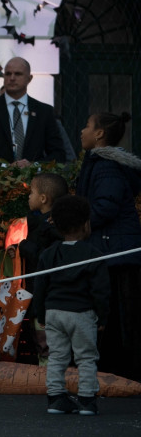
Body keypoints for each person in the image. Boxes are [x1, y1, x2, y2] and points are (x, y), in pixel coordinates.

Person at [75, 111, 141, 382]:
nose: (82, 131)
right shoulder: (102, 163)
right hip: (113, 248)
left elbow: (105, 206)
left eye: (87, 126)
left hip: (113, 250)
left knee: (114, 312)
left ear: (99, 134)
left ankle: (119, 369)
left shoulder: (105, 166)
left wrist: (78, 225)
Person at [33, 194, 110, 415]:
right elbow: (101, 291)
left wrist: (41, 315)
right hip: (81, 313)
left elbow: (40, 287)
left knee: (57, 355)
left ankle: (55, 398)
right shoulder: (93, 254)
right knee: (86, 357)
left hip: (54, 312)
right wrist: (102, 317)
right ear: (86, 224)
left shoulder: (48, 254)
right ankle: (86, 400)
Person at [7, 172, 68, 365]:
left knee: (45, 340)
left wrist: (23, 246)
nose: (28, 196)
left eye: (31, 192)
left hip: (45, 295)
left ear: (43, 198)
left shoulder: (51, 226)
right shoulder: (42, 223)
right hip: (39, 292)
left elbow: (43, 256)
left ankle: (50, 375)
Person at [0, 57, 66, 168]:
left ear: (29, 78)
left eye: (18, 74)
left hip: (35, 182)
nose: (12, 78)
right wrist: (4, 167)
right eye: (8, 74)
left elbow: (58, 154)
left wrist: (33, 166)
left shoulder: (44, 112)